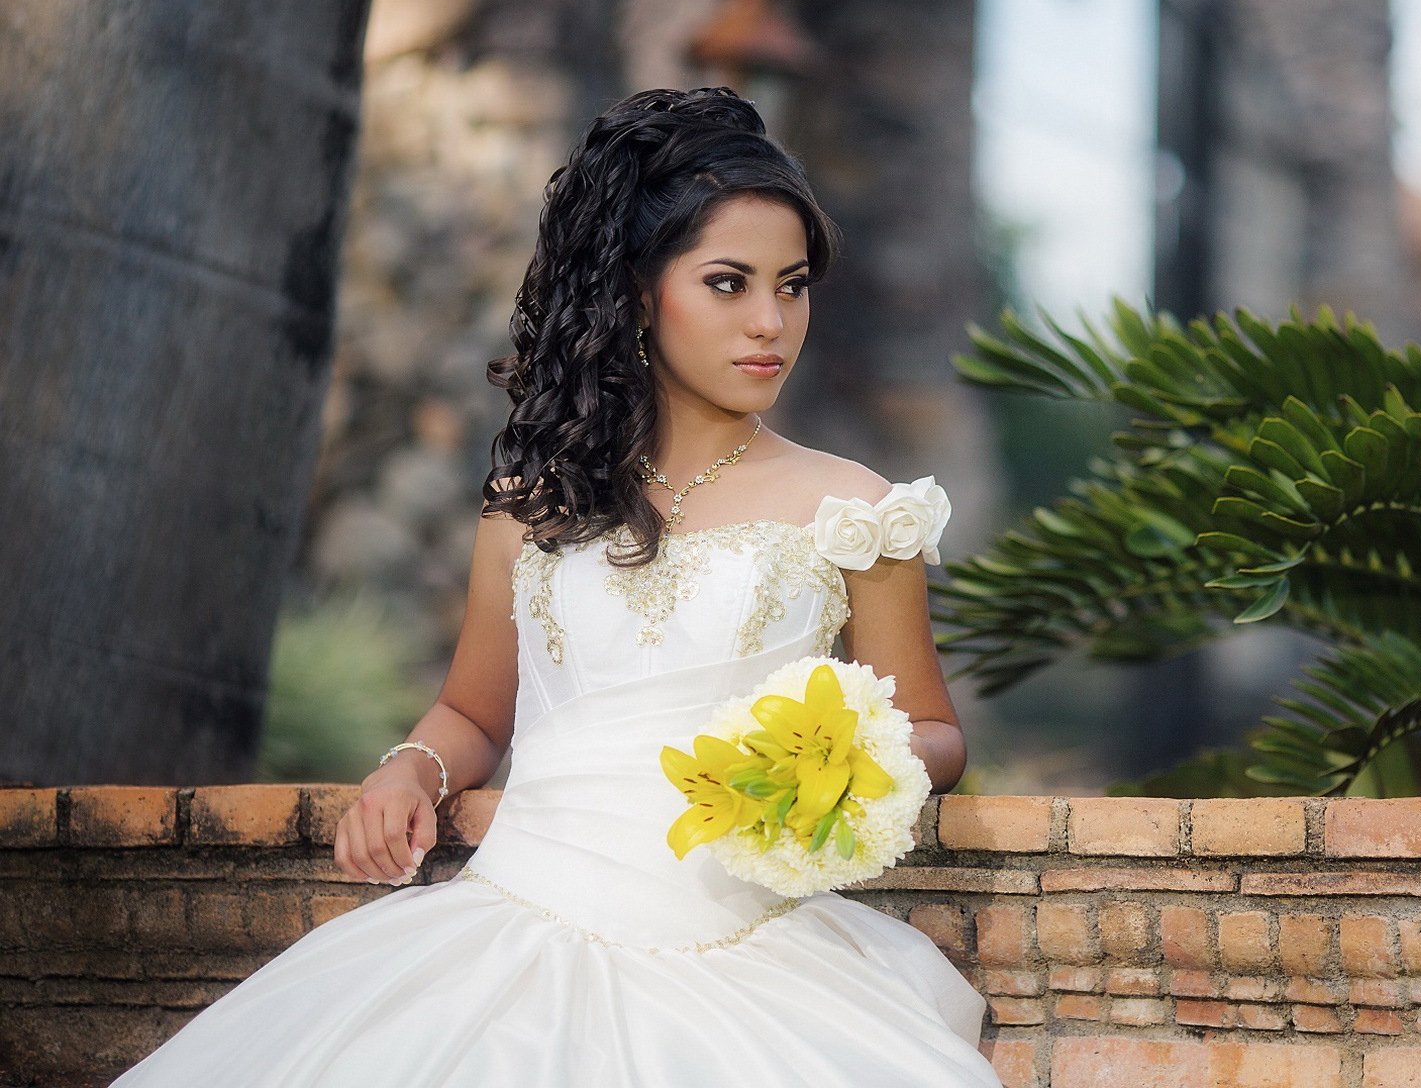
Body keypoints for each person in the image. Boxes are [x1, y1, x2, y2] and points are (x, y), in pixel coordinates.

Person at [113, 86, 1002, 1086]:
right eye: (728, 283)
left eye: (792, 286)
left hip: (747, 969)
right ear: (635, 292)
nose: (770, 322)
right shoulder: (532, 507)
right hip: (510, 931)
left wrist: (848, 759)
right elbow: (471, 710)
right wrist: (410, 771)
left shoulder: (853, 510)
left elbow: (936, 732)